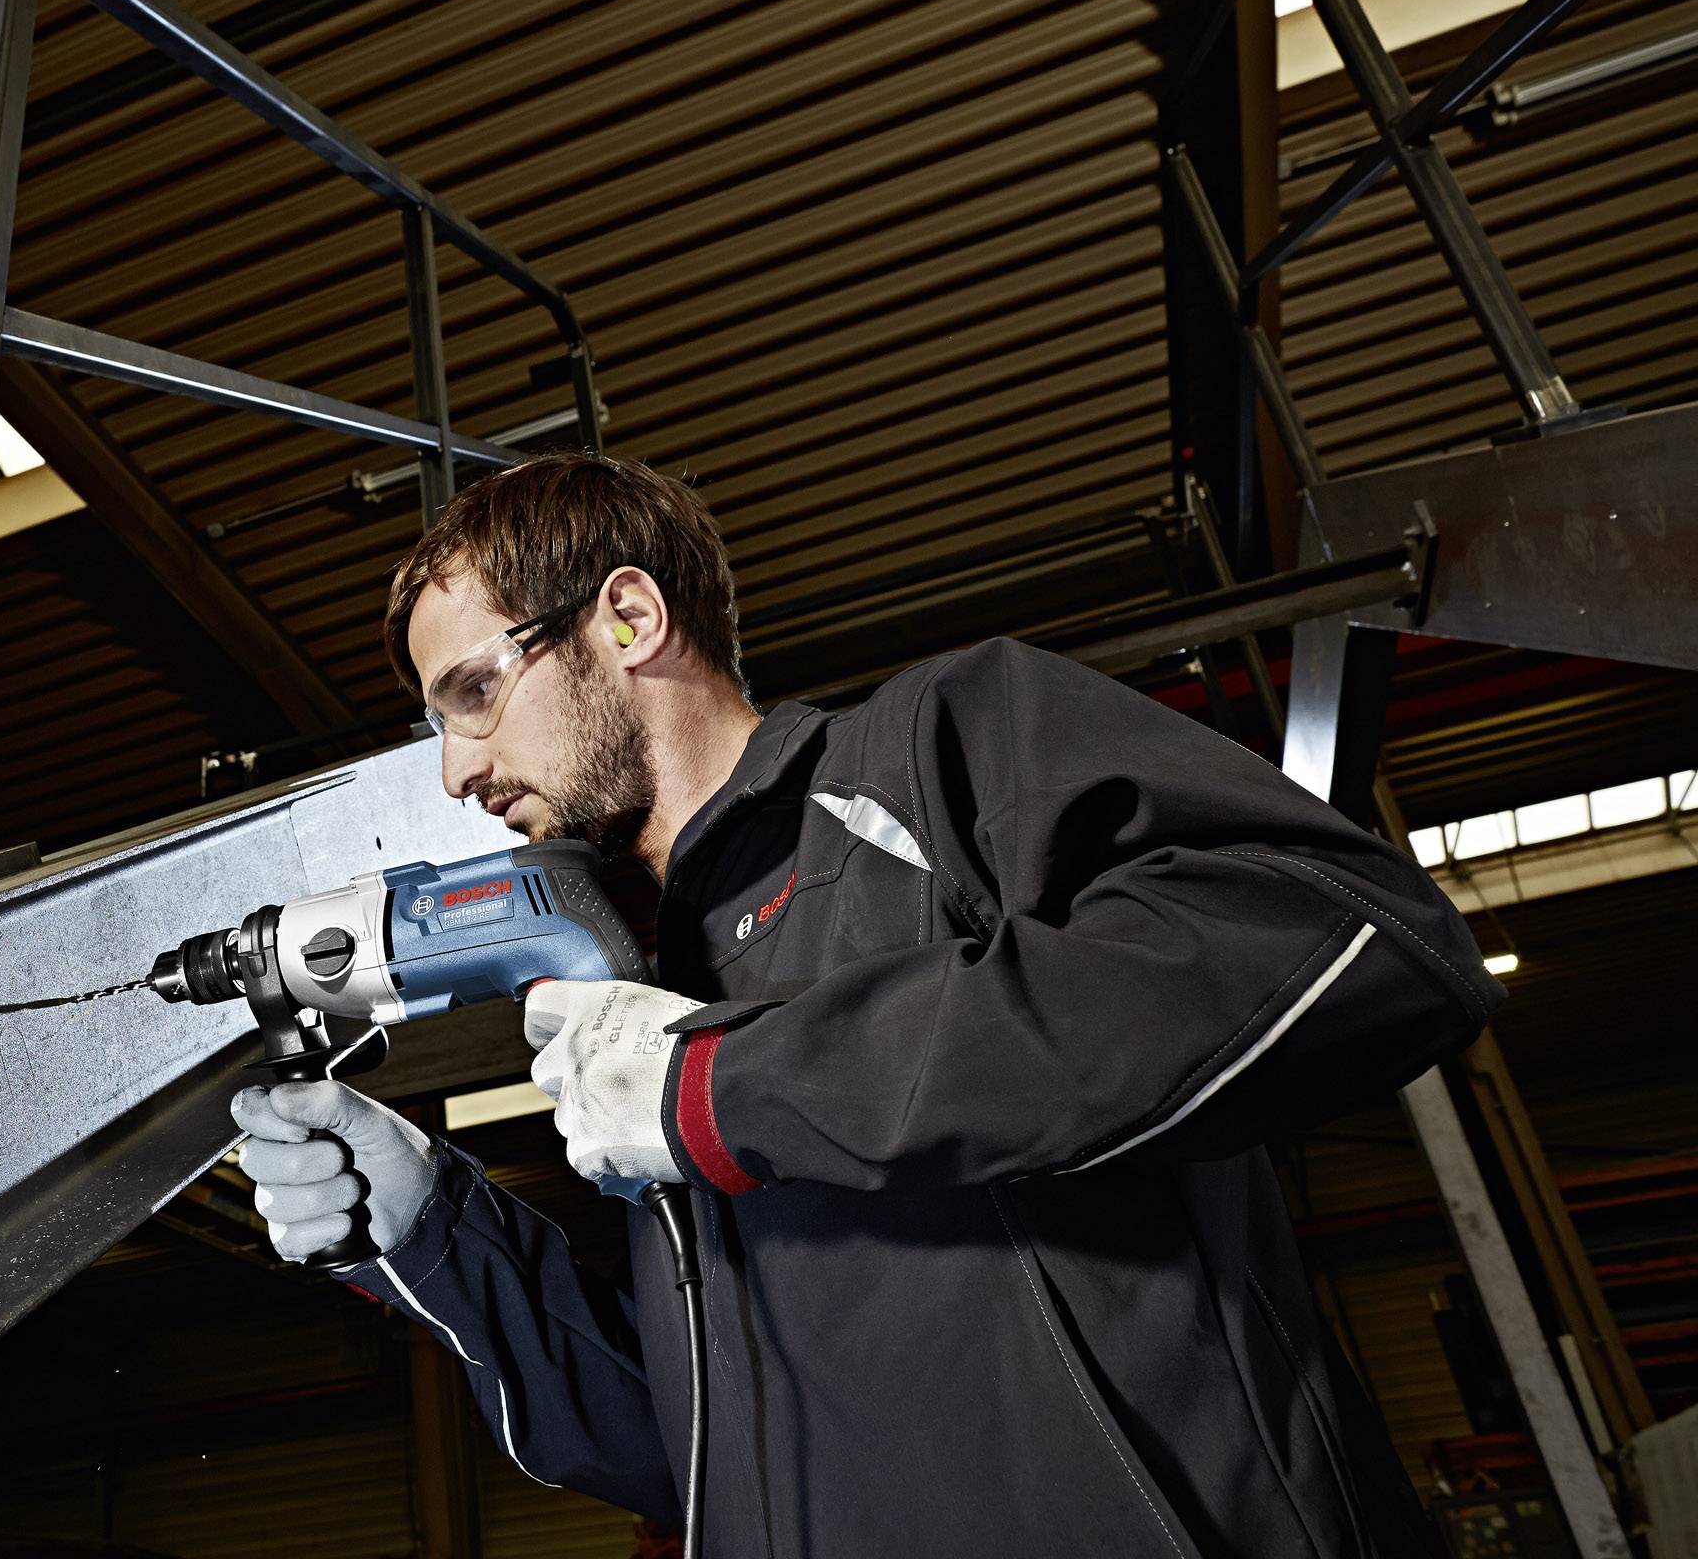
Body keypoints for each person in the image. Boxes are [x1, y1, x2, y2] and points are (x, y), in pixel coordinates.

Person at [230, 454, 1496, 1557]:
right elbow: (697, 1450)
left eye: (471, 693)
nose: (455, 770)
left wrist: (732, 1089)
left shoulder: (941, 753)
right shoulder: (634, 998)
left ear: (624, 619)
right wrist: (434, 1231)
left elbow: (1357, 940)